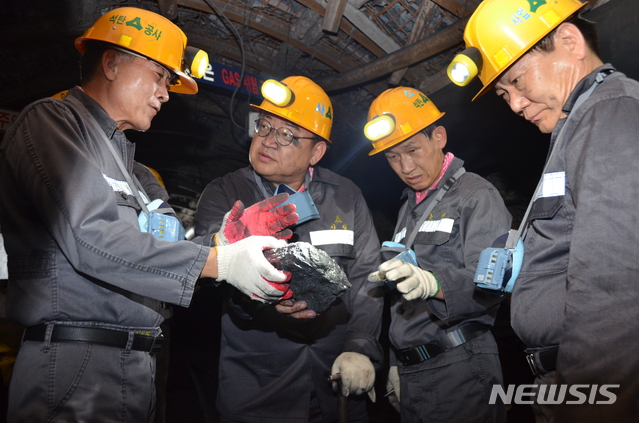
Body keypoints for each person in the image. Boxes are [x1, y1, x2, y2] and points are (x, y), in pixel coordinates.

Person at [0, 7, 298, 422]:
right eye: (160, 76)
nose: (165, 93)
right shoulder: (52, 123)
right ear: (111, 62)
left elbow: (163, 254)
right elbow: (91, 238)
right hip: (73, 364)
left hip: (138, 362)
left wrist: (226, 245)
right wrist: (220, 262)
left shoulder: (137, 172)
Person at [448, 0, 639, 421]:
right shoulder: (576, 126)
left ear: (569, 42)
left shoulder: (610, 111)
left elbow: (614, 286)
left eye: (517, 81)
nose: (515, 104)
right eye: (503, 94)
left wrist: (587, 404)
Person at [193, 75, 384, 423]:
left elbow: (367, 278)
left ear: (317, 151)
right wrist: (234, 258)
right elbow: (202, 272)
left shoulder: (346, 195)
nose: (268, 141)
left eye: (287, 135)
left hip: (337, 384)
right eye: (264, 126)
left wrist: (360, 348)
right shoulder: (225, 193)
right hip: (258, 391)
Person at [363, 87, 511, 423]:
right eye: (392, 157)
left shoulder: (476, 195)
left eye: (412, 149)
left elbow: (493, 284)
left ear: (439, 136)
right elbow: (402, 303)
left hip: (462, 365)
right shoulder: (408, 208)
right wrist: (398, 363)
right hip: (415, 372)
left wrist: (432, 283)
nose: (406, 165)